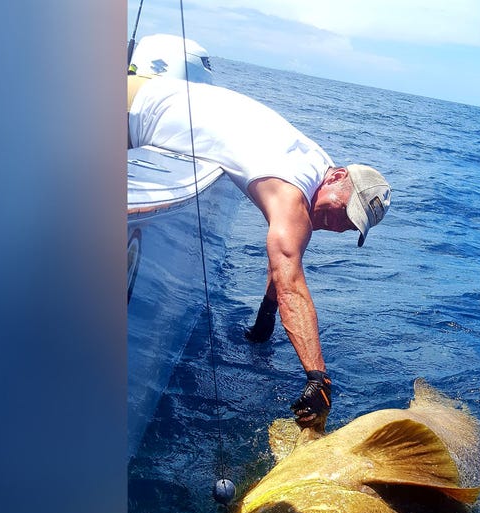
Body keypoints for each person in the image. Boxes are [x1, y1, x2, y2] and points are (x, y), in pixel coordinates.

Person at [128, 74, 392, 430]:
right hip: (134, 110)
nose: (335, 222)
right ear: (337, 177)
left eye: (347, 225)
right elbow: (291, 284)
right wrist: (318, 378)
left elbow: (286, 262)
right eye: (341, 210)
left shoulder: (317, 167)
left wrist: (265, 315)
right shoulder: (294, 194)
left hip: (154, 92)